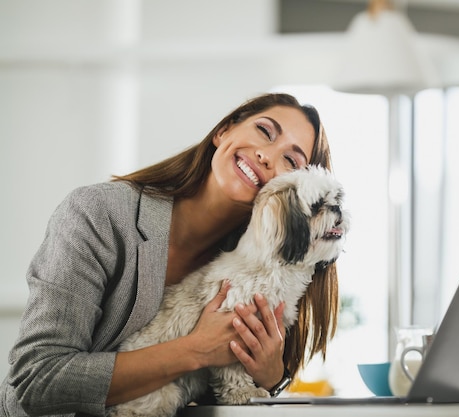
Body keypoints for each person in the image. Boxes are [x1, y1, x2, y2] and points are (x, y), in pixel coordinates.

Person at [0, 93, 340, 417]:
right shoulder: (97, 213)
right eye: (264, 131)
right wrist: (195, 349)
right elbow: (36, 379)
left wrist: (271, 376)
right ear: (223, 132)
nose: (267, 156)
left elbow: (220, 391)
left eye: (290, 160)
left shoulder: (263, 271)